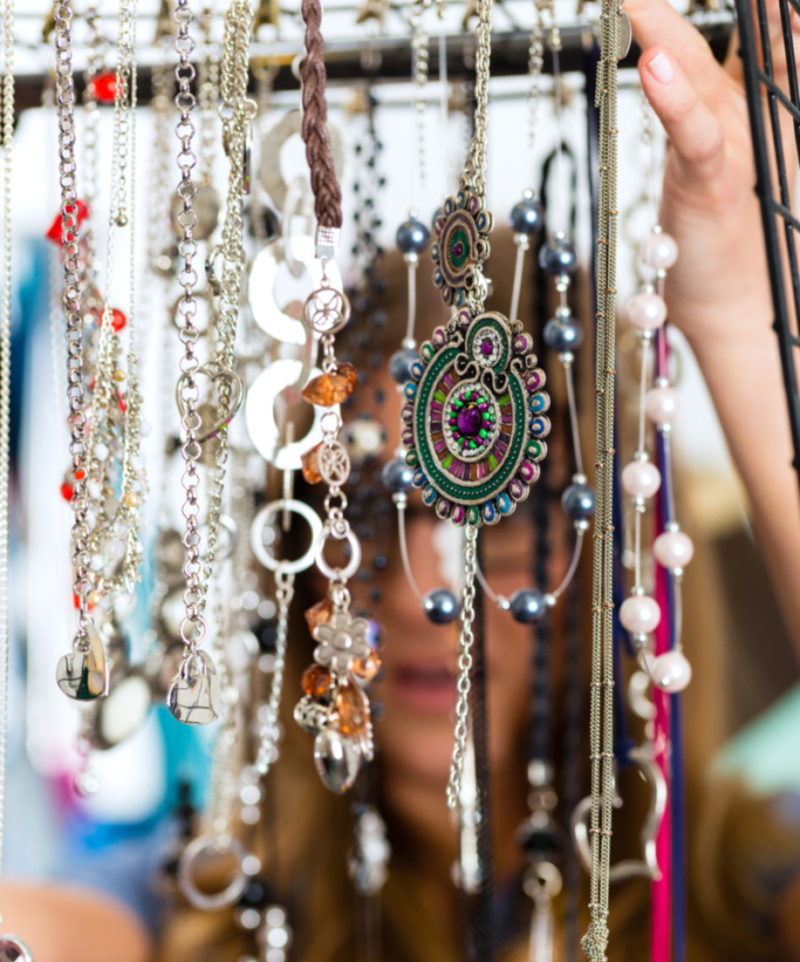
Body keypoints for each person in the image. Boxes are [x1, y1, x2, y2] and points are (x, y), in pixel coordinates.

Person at [9, 0, 800, 959]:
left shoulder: (756, 892)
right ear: (302, 563)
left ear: (609, 560)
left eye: (495, 501)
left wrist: (738, 317)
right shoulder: (204, 903)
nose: (433, 589)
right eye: (373, 508)